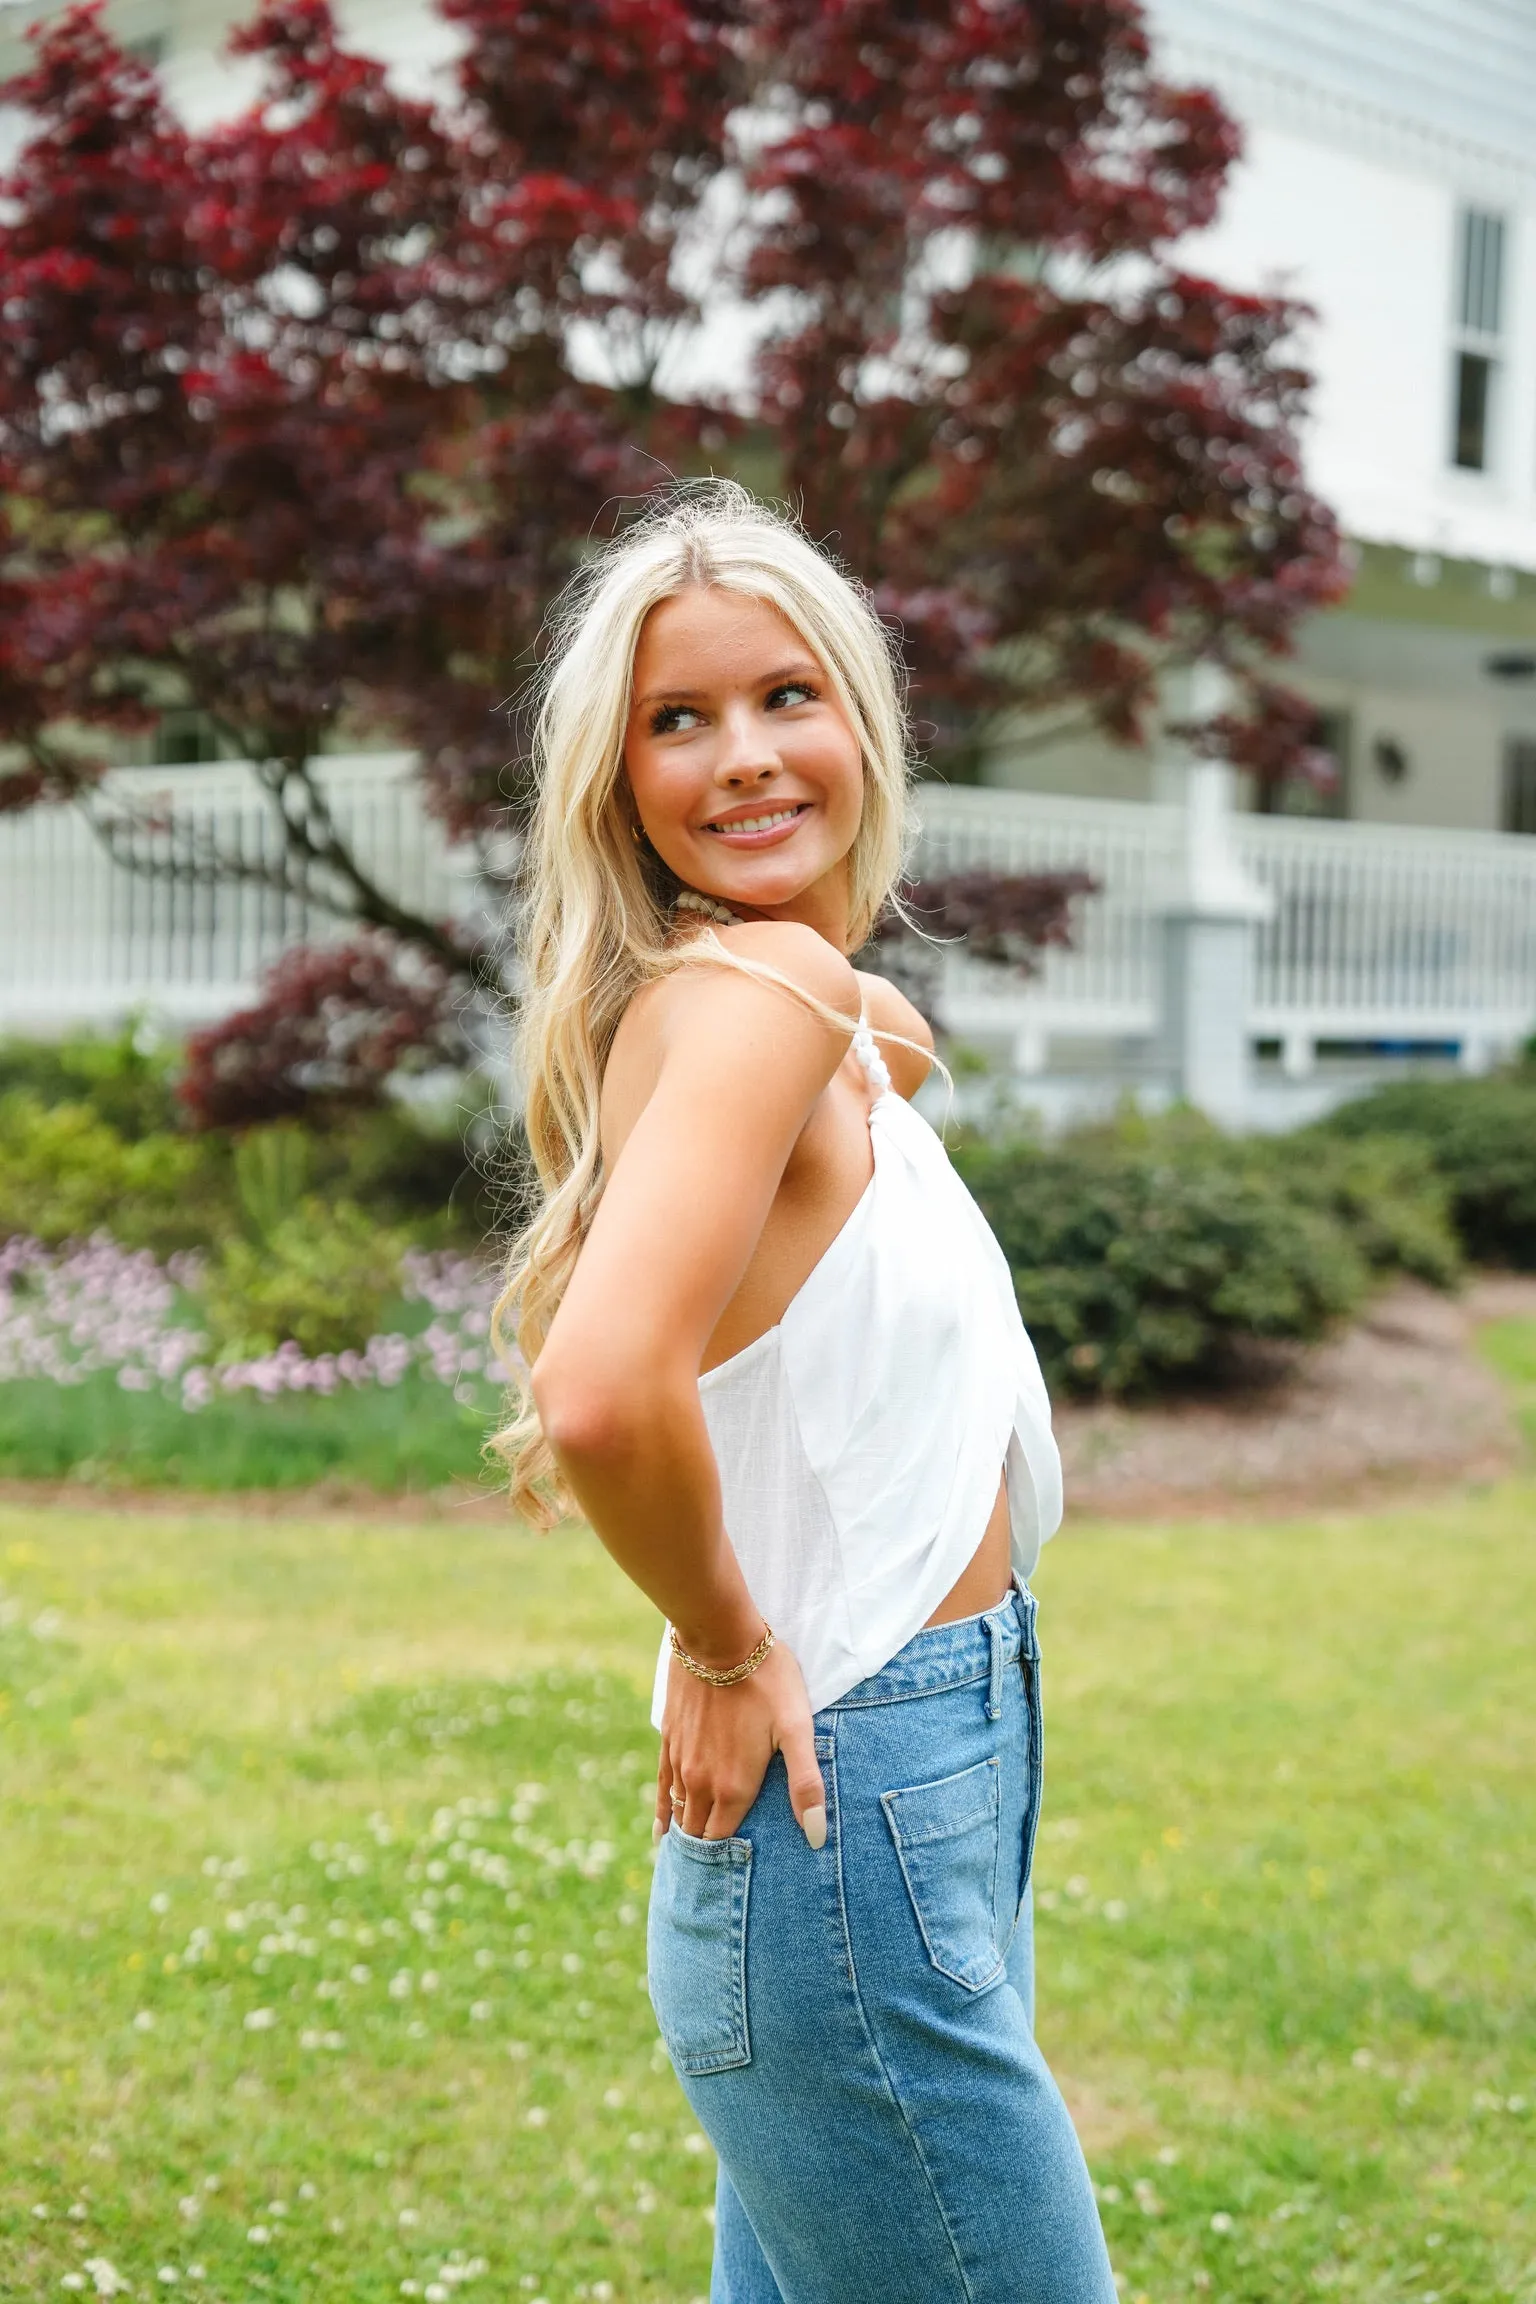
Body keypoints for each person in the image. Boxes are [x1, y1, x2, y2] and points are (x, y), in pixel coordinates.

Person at [493, 482, 1115, 2304]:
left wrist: (847, 1005)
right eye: (674, 723)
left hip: (929, 1776)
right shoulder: (756, 997)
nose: (742, 757)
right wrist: (718, 1637)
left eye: (785, 698)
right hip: (855, 1786)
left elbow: (887, 1045)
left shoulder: (803, 1009)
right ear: (619, 787)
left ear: (864, 719)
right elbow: (600, 1389)